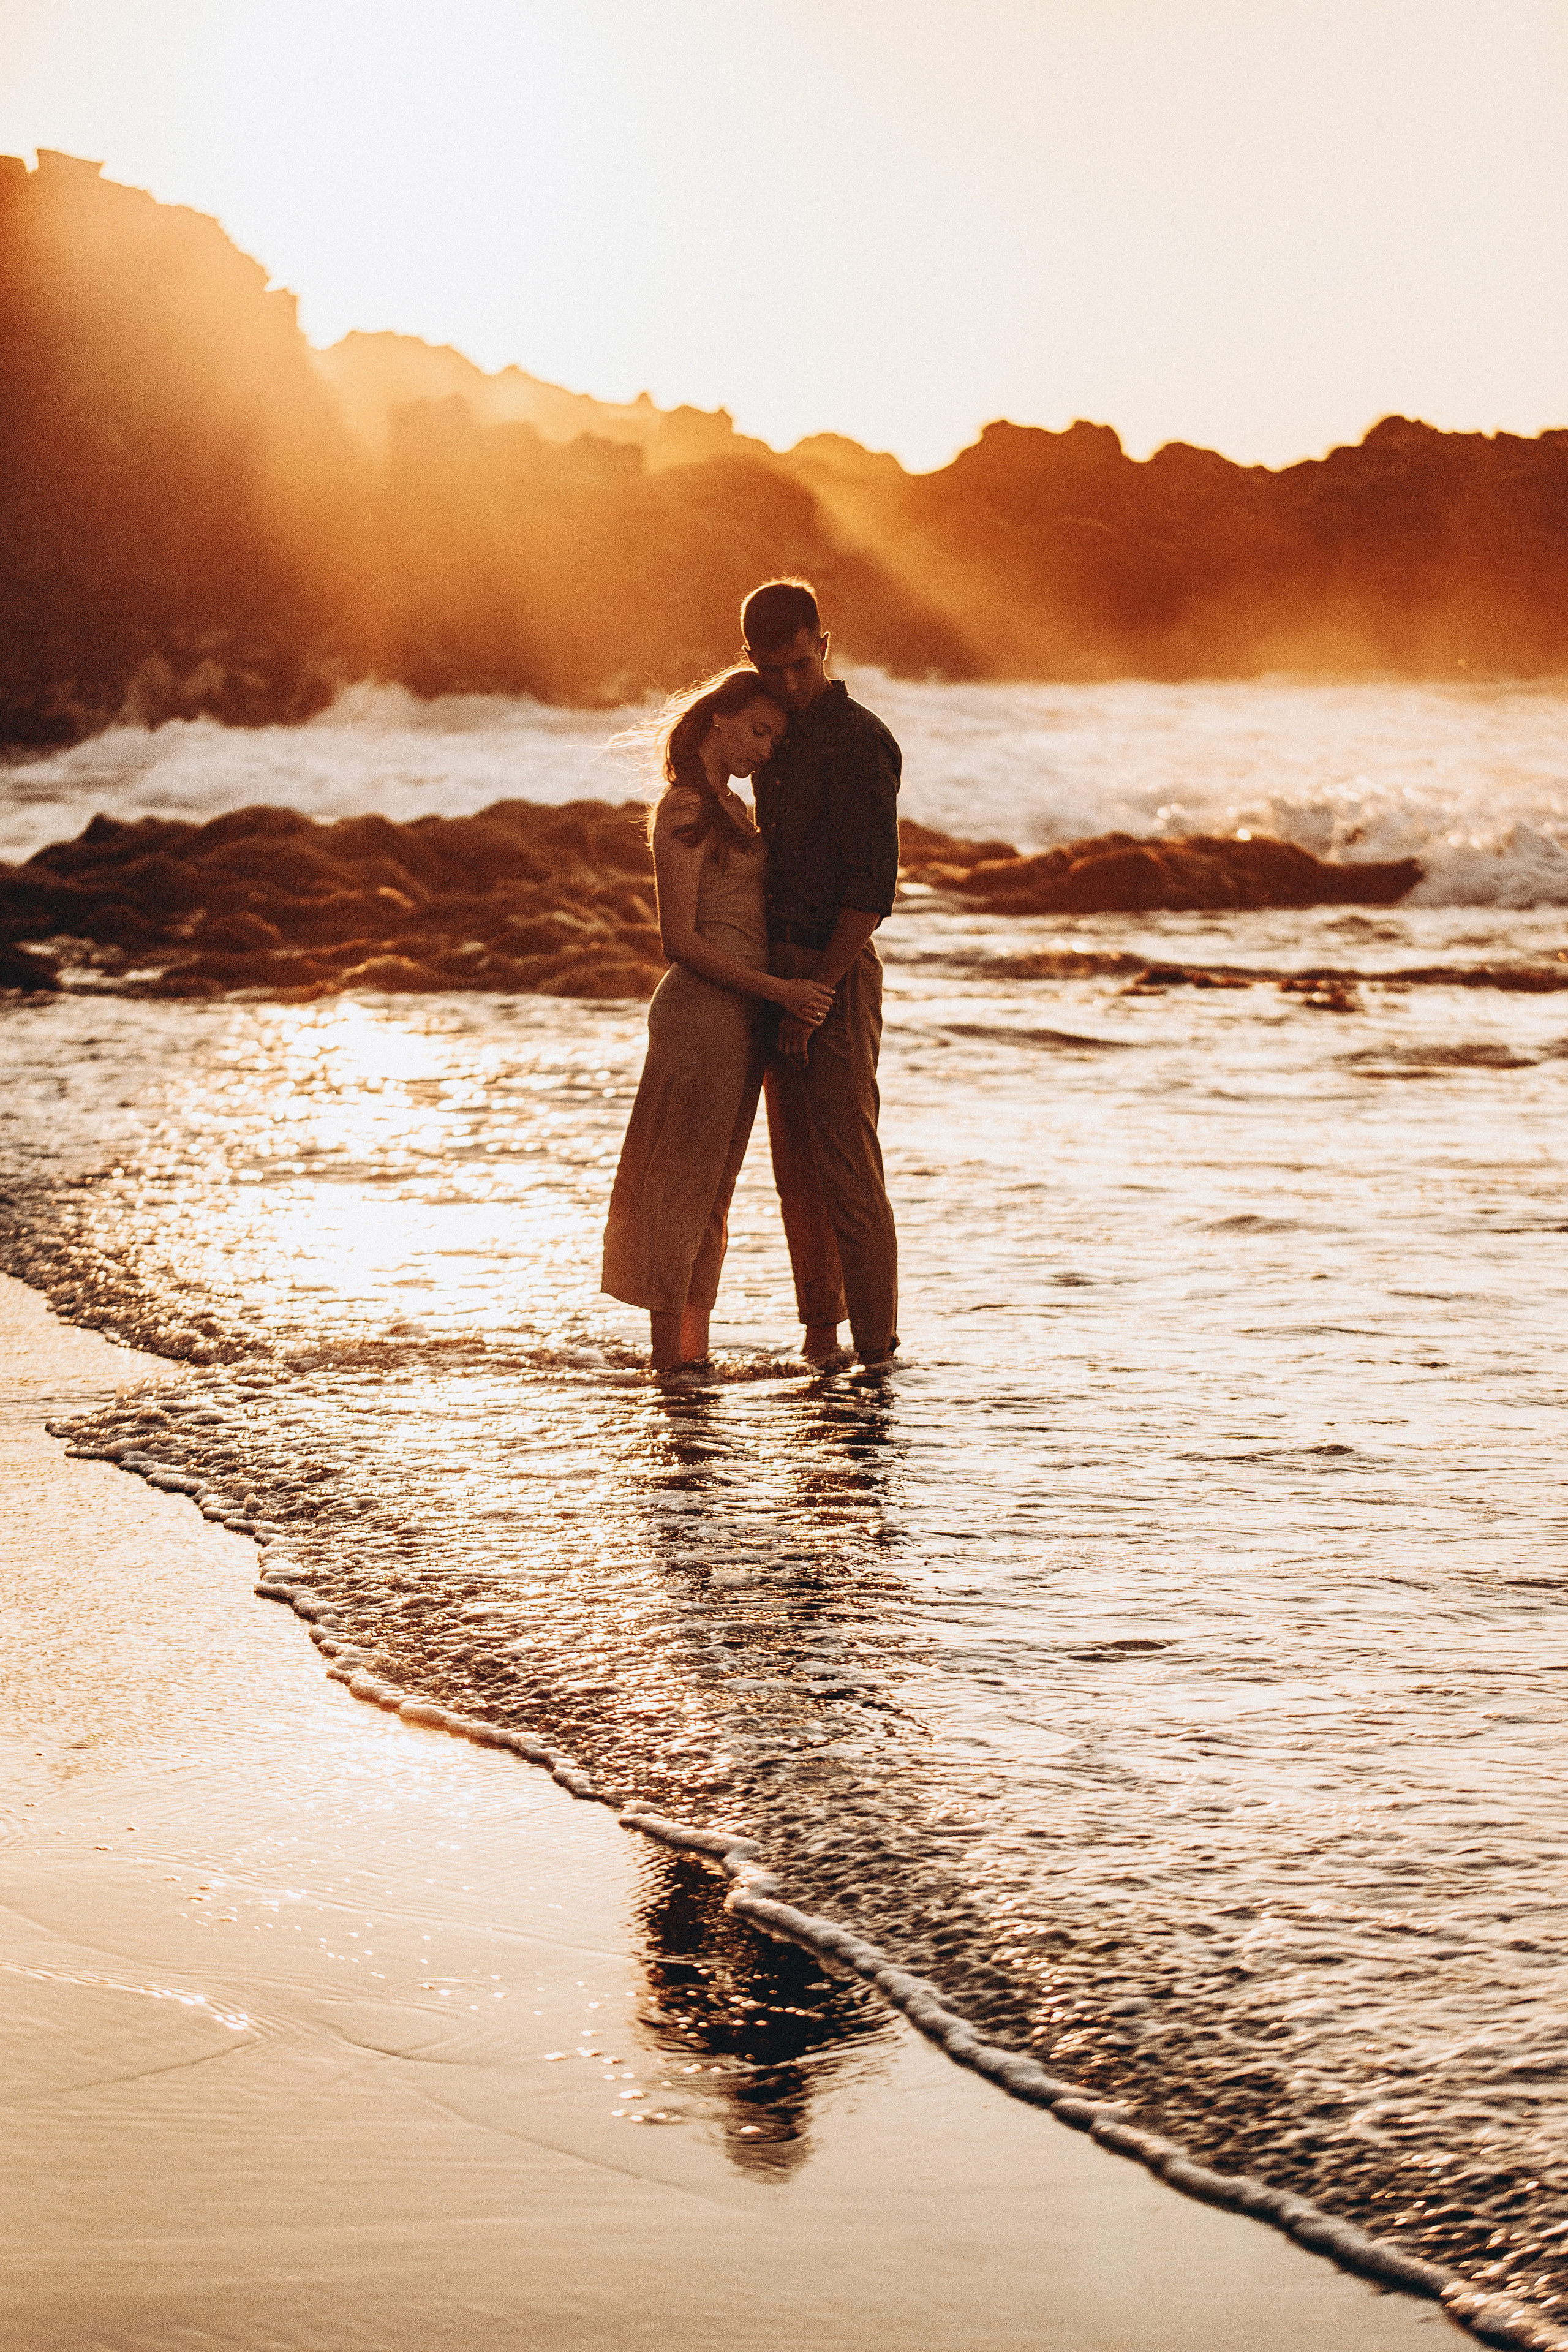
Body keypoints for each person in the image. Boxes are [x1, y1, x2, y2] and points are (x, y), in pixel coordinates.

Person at [601, 667, 835, 1373]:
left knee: (714, 1194)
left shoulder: (734, 809)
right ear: (718, 720)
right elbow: (679, 938)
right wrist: (780, 990)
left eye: (775, 738)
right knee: (680, 1186)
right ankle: (669, 1368)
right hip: (700, 1017)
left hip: (742, 1022)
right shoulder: (682, 809)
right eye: (758, 731)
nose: (765, 750)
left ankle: (690, 1361)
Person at [741, 579, 902, 1367]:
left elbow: (870, 890)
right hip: (773, 968)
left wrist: (818, 996)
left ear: (824, 644)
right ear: (752, 663)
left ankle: (877, 1352)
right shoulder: (774, 736)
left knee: (848, 1169)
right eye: (775, 670)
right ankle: (819, 1342)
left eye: (803, 664)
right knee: (794, 1172)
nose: (792, 683)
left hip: (834, 966)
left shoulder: (860, 740)